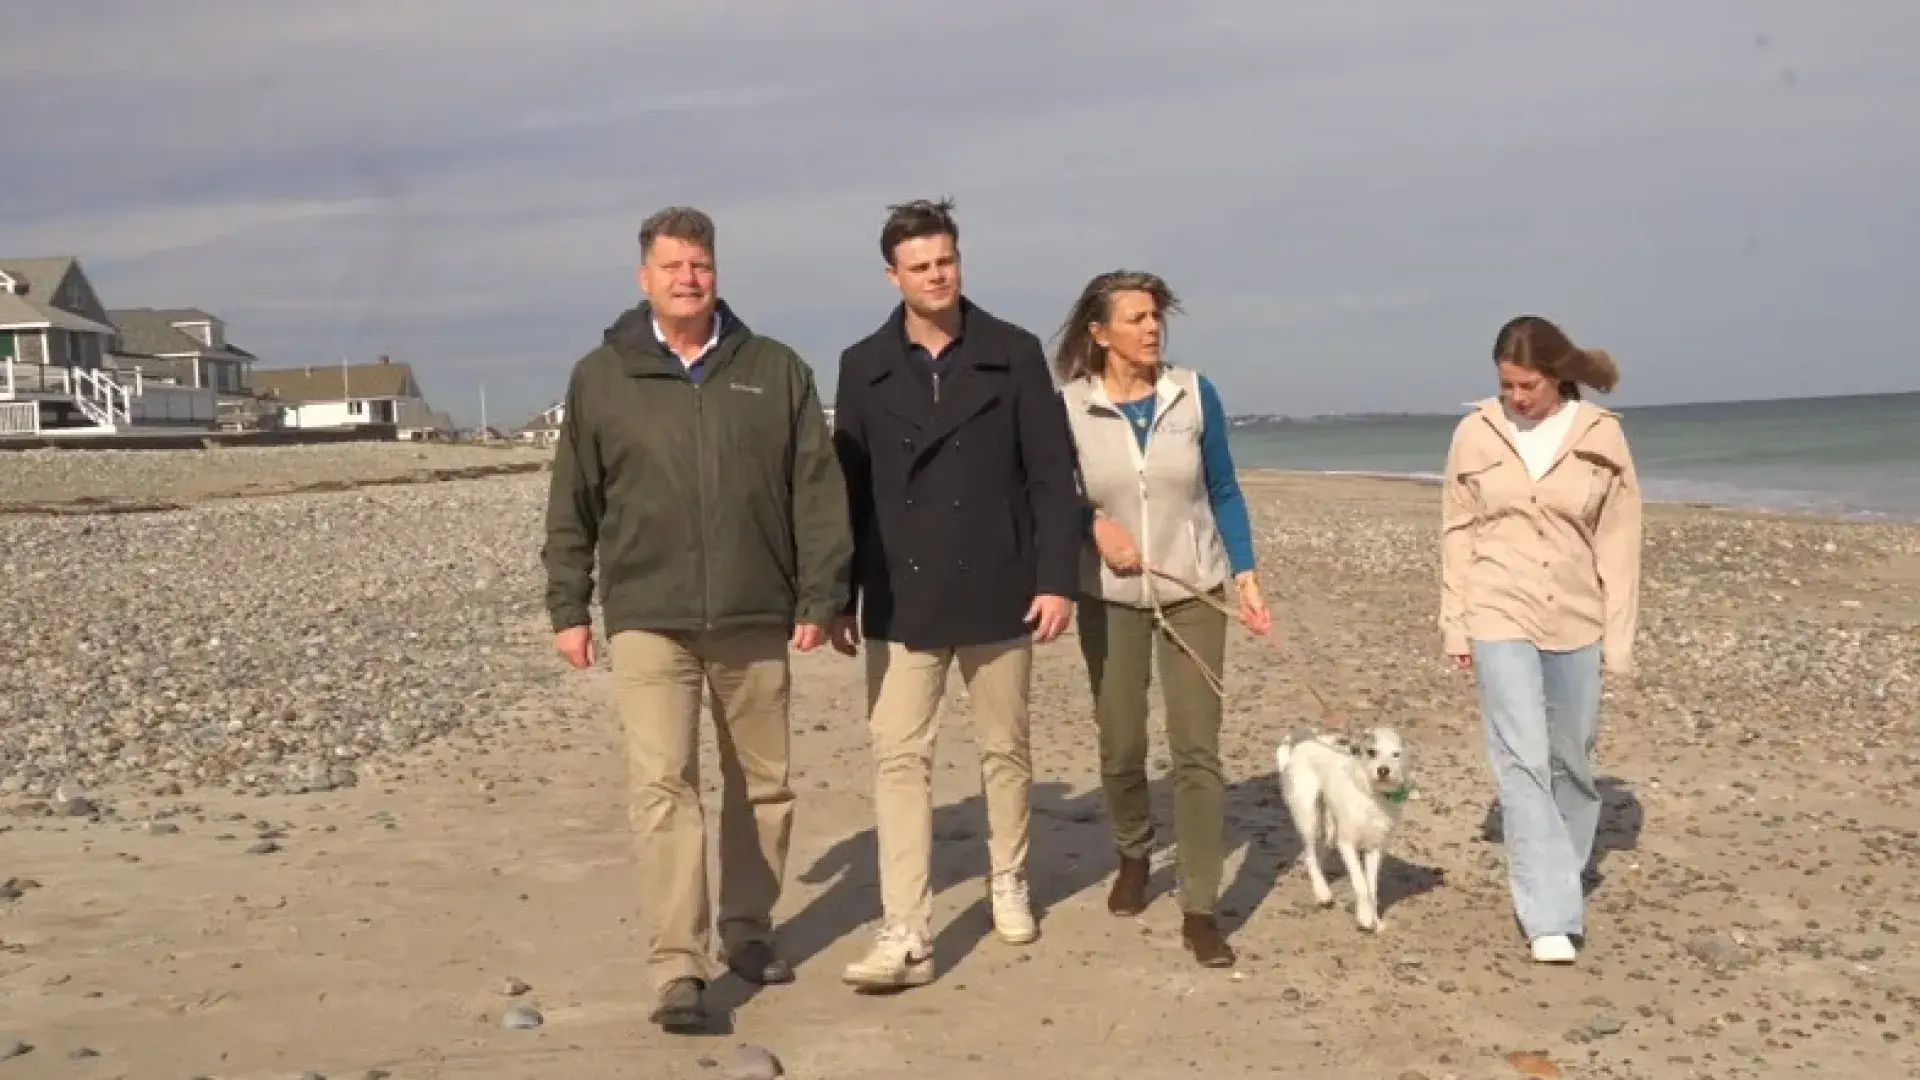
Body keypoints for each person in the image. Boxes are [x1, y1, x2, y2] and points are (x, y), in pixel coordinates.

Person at [542, 206, 852, 1029]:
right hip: (650, 615)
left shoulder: (774, 369)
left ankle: (747, 931)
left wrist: (821, 595)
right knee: (662, 787)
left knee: (764, 785)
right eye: (673, 266)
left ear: (717, 273)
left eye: (701, 265)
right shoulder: (602, 376)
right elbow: (573, 500)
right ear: (644, 277)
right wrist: (569, 605)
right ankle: (678, 965)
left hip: (756, 612)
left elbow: (815, 491)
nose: (689, 278)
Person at [828, 197, 1083, 990]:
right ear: (893, 275)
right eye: (920, 266)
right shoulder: (862, 364)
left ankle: (1009, 878)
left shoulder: (1013, 351)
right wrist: (835, 595)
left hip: (1001, 581)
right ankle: (906, 929)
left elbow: (1052, 473)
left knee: (1005, 747)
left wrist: (1056, 578)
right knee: (898, 758)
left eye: (946, 261)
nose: (936, 276)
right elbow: (848, 490)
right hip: (900, 593)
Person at [1050, 270, 1272, 969]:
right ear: (1099, 333)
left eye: (1156, 317)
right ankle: (1134, 850)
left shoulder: (1194, 394)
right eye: (1137, 318)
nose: (1152, 329)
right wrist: (1093, 525)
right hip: (1108, 597)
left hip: (1193, 589)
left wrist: (1245, 572)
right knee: (1120, 743)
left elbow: (1224, 489)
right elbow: (1053, 494)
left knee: (1197, 748)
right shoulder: (1069, 407)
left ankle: (1200, 908)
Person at [1439, 314, 1642, 966]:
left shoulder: (1601, 434)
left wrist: (1619, 637)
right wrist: (1455, 622)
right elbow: (1457, 532)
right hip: (1497, 608)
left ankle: (1560, 870)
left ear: (1556, 376)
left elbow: (1620, 542)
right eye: (1507, 385)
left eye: (1527, 385)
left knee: (1572, 759)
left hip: (1577, 614)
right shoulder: (1475, 432)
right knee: (1521, 758)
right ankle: (1549, 916)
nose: (1516, 397)